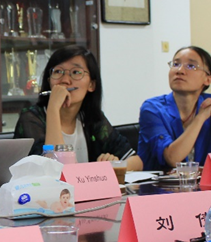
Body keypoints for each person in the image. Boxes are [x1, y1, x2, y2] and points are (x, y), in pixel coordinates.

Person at [14, 45, 142, 170]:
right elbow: (55, 168)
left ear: (91, 85)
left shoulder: (91, 118)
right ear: (49, 81)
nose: (65, 80)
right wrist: (53, 107)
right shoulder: (31, 119)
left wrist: (113, 166)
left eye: (75, 72)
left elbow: (136, 162)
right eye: (58, 72)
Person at [138, 45, 211, 171]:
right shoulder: (153, 109)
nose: (180, 70)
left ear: (207, 79)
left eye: (191, 66)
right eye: (176, 64)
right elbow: (172, 158)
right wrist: (200, 118)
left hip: (202, 182)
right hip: (158, 182)